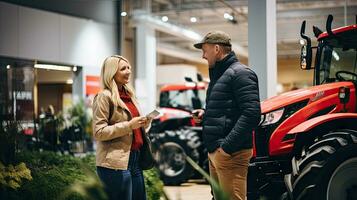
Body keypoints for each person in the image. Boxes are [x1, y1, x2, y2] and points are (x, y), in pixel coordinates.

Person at [192, 31, 261, 200]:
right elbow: (228, 109)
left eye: (205, 50)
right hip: (217, 151)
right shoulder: (220, 75)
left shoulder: (241, 73)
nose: (203, 56)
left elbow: (252, 114)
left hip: (230, 153)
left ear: (216, 49)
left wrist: (226, 148)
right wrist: (205, 114)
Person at [92, 55, 152, 200]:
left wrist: (145, 123)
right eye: (123, 69)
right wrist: (129, 125)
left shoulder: (130, 95)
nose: (128, 71)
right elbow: (99, 132)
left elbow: (134, 131)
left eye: (129, 68)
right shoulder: (103, 97)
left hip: (135, 161)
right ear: (112, 72)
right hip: (114, 164)